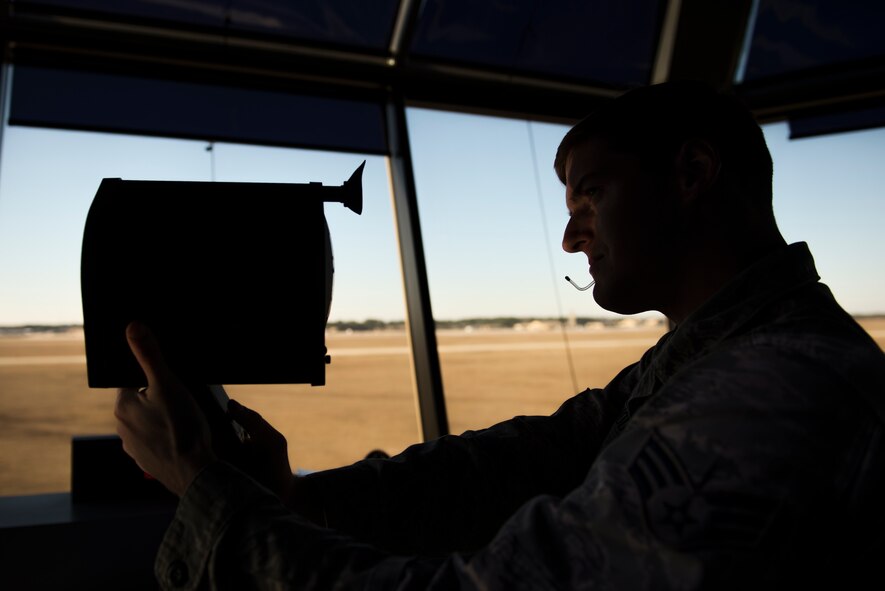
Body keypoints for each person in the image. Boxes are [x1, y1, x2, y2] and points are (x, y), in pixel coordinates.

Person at [114, 80, 885, 590]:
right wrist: (293, 499)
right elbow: (523, 461)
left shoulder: (778, 386)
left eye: (590, 194)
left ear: (691, 173)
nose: (570, 238)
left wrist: (216, 499)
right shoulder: (715, 357)